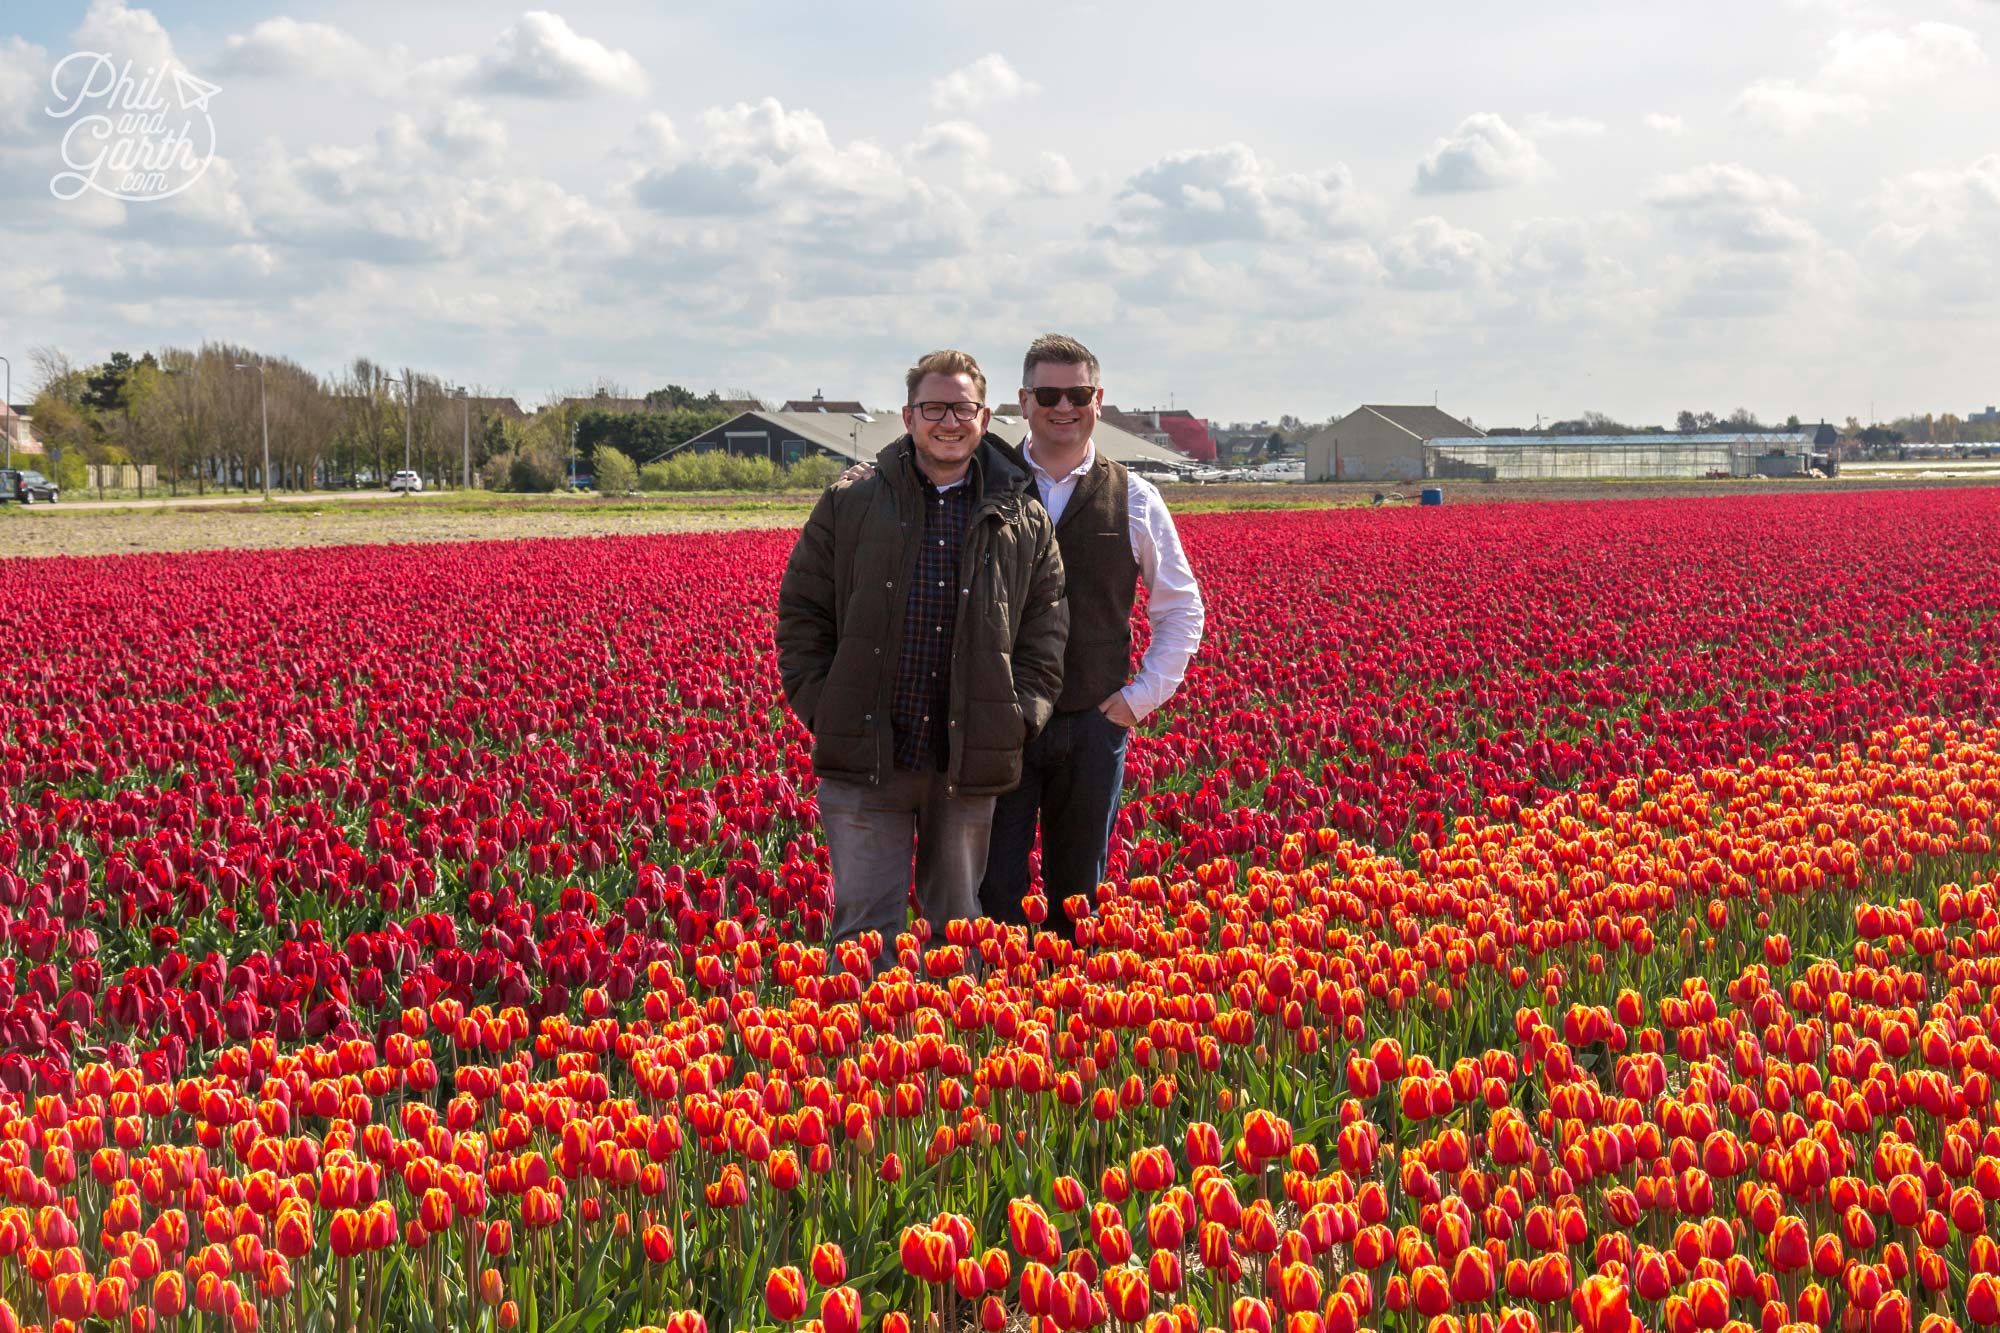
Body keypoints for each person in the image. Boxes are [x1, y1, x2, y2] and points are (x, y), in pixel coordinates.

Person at [775, 349, 1068, 975]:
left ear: (986, 418)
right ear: (908, 417)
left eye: (963, 408)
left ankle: (945, 1065)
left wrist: (1015, 720)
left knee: (957, 930)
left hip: (965, 759)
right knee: (862, 936)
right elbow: (802, 612)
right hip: (867, 755)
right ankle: (855, 1066)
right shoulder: (850, 502)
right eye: (934, 408)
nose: (949, 422)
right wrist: (825, 707)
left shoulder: (1021, 515)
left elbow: (1047, 632)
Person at [982, 334, 1205, 936]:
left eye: (1077, 393)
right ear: (1023, 401)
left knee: (1078, 898)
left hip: (1090, 723)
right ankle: (1000, 1019)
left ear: (1097, 399)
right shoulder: (985, 481)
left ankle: (1062, 1022)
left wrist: (1138, 701)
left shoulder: (1133, 495)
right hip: (994, 722)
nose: (1064, 406)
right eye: (1048, 393)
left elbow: (1181, 607)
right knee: (991, 891)